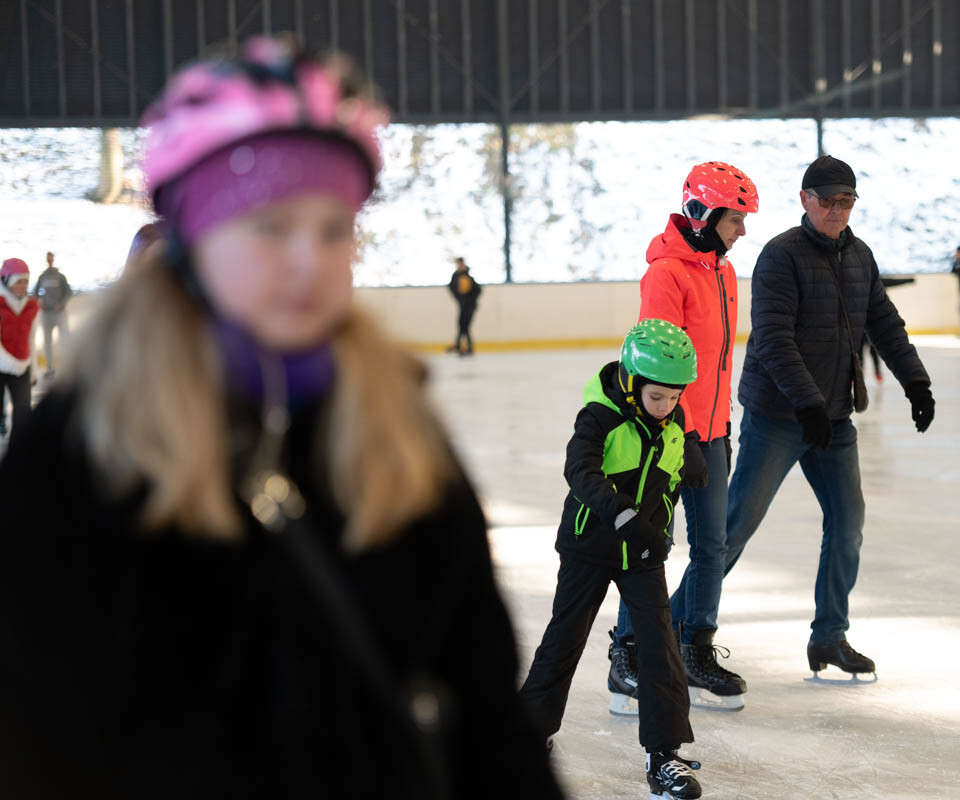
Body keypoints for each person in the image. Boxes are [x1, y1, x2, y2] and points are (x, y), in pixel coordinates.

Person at [0, 37, 562, 800]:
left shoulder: (392, 423)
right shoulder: (74, 452)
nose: (312, 260)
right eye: (270, 226)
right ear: (191, 242)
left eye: (335, 229)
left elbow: (486, 708)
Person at [722, 154, 935, 679]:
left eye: (847, 201)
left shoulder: (859, 255)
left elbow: (883, 322)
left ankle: (829, 638)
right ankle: (678, 628)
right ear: (805, 200)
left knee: (847, 525)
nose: (838, 211)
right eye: (828, 201)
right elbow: (773, 339)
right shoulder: (780, 256)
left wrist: (916, 381)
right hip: (779, 416)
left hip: (834, 419)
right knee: (733, 528)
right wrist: (807, 403)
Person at [520, 319, 703, 800]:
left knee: (660, 645)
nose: (667, 408)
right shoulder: (599, 417)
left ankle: (664, 754)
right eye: (658, 397)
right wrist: (624, 518)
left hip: (642, 551)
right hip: (590, 546)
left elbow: (667, 466)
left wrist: (689, 460)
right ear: (630, 382)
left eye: (675, 397)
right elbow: (580, 471)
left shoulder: (672, 418)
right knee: (564, 638)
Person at [608, 161, 759, 716]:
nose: (741, 230)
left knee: (712, 547)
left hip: (715, 433)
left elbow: (715, 363)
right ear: (705, 213)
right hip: (670, 438)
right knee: (651, 547)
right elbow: (658, 366)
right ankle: (626, 654)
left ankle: (695, 647)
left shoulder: (721, 270)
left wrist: (718, 429)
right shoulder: (666, 274)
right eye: (735, 219)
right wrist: (686, 436)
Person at [0, 257, 40, 438]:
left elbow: (31, 338)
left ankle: (18, 457)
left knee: (24, 415)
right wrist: (13, 364)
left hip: (22, 367)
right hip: (3, 366)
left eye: (26, 281)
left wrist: (33, 370)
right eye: (18, 281)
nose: (23, 285)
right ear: (6, 280)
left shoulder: (31, 306)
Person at [34, 250, 72, 377]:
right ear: (46, 260)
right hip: (46, 314)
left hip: (59, 313)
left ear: (53, 259)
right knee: (47, 342)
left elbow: (68, 292)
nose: (49, 260)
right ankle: (49, 368)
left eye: (51, 258)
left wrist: (61, 304)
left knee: (65, 340)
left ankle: (68, 367)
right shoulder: (42, 276)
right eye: (47, 258)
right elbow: (35, 293)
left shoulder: (60, 276)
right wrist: (39, 301)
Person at [447, 257, 481, 355]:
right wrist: (459, 299)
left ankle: (463, 346)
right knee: (462, 325)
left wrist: (470, 299)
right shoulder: (456, 277)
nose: (459, 266)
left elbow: (478, 290)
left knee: (465, 326)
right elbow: (452, 288)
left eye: (460, 264)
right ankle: (460, 345)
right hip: (463, 305)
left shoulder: (469, 277)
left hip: (470, 305)